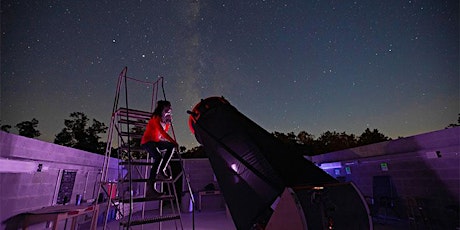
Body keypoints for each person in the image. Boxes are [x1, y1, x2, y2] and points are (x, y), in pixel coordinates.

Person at [141, 100, 179, 196]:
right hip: (148, 141)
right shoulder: (156, 118)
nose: (168, 112)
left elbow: (164, 131)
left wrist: (168, 123)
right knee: (158, 158)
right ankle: (151, 187)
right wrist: (174, 141)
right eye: (166, 110)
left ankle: (162, 170)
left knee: (171, 147)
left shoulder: (163, 119)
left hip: (156, 141)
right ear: (161, 109)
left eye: (169, 111)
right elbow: (162, 132)